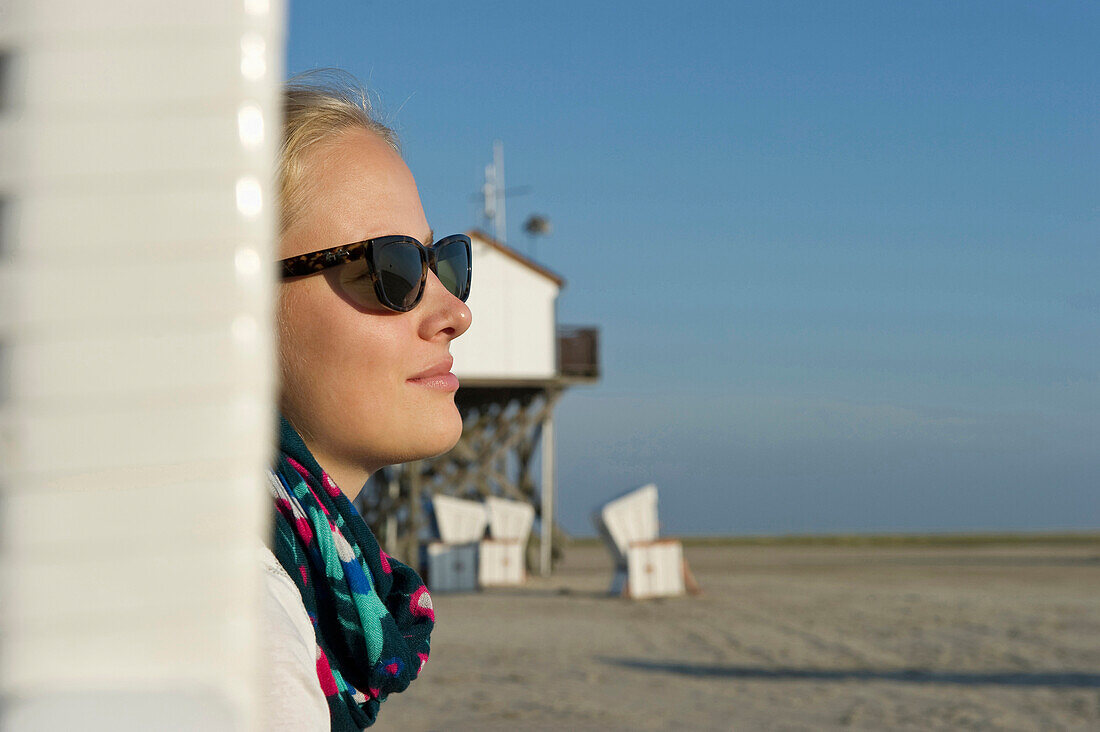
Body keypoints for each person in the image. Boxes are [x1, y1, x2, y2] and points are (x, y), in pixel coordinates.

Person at [259, 73, 472, 731]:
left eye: (444, 262)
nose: (454, 311)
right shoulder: (248, 637)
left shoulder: (289, 583)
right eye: (392, 270)